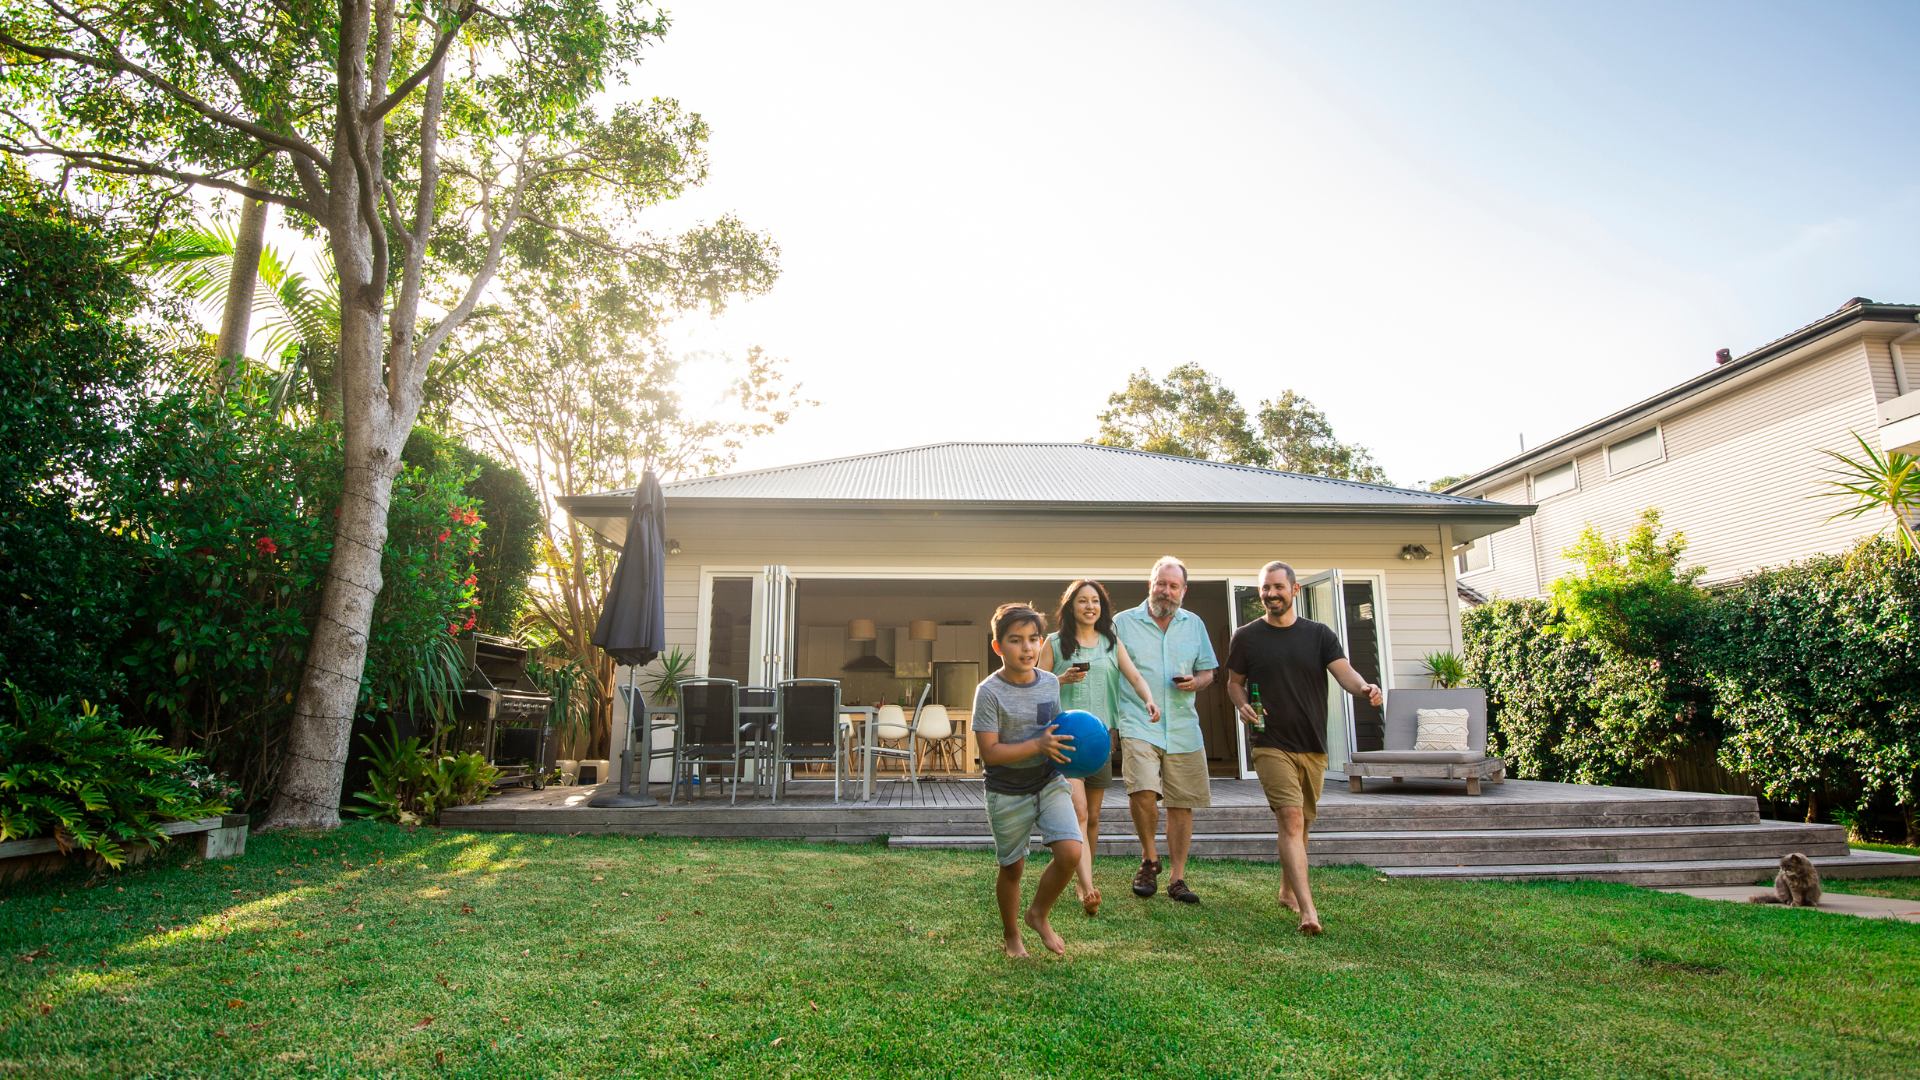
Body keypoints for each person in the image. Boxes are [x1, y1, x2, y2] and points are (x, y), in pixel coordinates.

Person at [1225, 560, 1382, 936]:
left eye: (1278, 587)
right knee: (1292, 818)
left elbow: (1345, 673)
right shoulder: (1246, 636)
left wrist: (1364, 688)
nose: (1271, 594)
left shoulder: (1319, 635)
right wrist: (1241, 703)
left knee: (1303, 822)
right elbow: (1233, 683)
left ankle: (1285, 889)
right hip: (1269, 742)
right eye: (1265, 588)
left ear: (1295, 590)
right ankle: (1308, 911)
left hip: (1312, 743)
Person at [1037, 579, 1160, 917]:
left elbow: (1133, 676)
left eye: (1095, 601)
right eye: (1082, 601)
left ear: (1102, 608)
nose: (1089, 607)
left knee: (1092, 818)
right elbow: (1032, 683)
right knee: (1078, 812)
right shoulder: (1054, 643)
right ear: (1070, 606)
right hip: (1066, 739)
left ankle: (1080, 879)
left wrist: (1149, 700)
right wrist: (1061, 680)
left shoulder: (1110, 642)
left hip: (1100, 739)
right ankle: (1087, 886)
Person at [972, 602, 1084, 958]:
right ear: (998, 647)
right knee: (1013, 867)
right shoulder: (988, 692)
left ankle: (1039, 914)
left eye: (1033, 639)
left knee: (1070, 852)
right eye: (1016, 640)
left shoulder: (1050, 683)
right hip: (1006, 790)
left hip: (1047, 780)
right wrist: (1037, 743)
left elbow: (1056, 729)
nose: (1027, 648)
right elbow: (990, 752)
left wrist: (1077, 747)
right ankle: (1011, 934)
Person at [1111, 555, 1218, 905]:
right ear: (1150, 585)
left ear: (1183, 590)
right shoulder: (1122, 623)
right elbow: (1107, 668)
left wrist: (1196, 682)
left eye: (1174, 586)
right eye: (1161, 583)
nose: (1166, 591)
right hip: (1138, 720)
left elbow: (1209, 672)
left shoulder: (1194, 624)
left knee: (1181, 802)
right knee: (1141, 788)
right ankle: (1149, 858)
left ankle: (1177, 878)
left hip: (1184, 726)